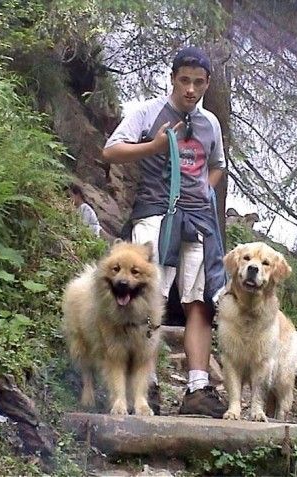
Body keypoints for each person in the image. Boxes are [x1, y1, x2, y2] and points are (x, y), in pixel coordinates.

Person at [102, 46, 227, 418]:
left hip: (199, 220)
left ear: (207, 84)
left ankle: (198, 387)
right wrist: (153, 146)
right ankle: (146, 383)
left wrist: (206, 188)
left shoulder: (211, 123)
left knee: (200, 301)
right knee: (147, 296)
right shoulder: (147, 112)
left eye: (198, 83)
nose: (191, 89)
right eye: (185, 80)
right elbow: (110, 151)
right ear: (173, 78)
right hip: (157, 212)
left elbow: (218, 166)